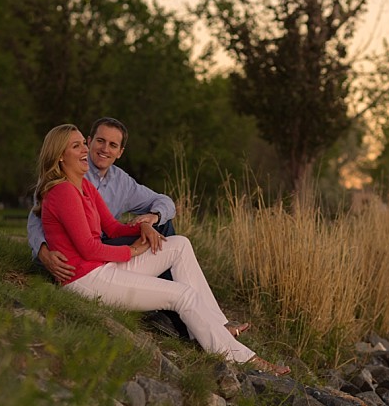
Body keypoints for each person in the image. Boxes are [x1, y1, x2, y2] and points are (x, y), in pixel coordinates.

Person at [33, 123, 289, 375]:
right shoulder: (63, 191)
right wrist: (131, 252)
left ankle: (217, 328)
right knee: (182, 295)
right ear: (59, 156)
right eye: (76, 146)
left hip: (102, 268)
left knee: (179, 244)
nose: (85, 150)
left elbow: (111, 227)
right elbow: (89, 248)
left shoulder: (84, 185)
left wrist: (142, 227)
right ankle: (245, 359)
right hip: (84, 279)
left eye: (83, 144)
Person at [27, 116, 185, 337]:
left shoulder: (123, 182)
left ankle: (170, 310)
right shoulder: (68, 174)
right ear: (90, 141)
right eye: (100, 141)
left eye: (113, 145)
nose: (104, 149)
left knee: (164, 228)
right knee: (165, 246)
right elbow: (35, 219)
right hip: (75, 256)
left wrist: (152, 219)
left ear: (120, 151)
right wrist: (44, 253)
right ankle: (172, 314)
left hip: (102, 243)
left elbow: (164, 202)